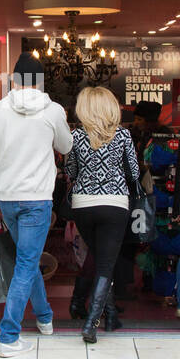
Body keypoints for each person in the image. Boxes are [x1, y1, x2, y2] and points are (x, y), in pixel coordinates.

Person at [0, 52, 72, 357]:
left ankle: (45, 318)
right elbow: (66, 146)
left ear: (14, 80)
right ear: (41, 81)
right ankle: (8, 336)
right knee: (26, 262)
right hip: (37, 198)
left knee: (26, 260)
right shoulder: (53, 111)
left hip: (7, 197)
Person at [64, 86, 146, 344]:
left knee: (100, 259)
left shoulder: (76, 136)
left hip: (83, 204)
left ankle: (109, 314)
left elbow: (70, 170)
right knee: (105, 264)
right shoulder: (122, 135)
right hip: (114, 204)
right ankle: (91, 323)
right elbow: (134, 173)